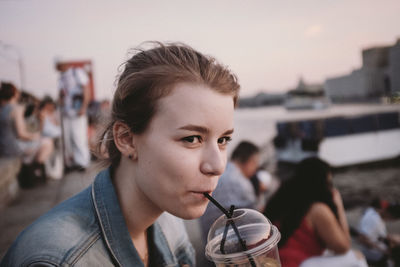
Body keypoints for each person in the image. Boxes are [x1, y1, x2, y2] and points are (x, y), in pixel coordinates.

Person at [1, 42, 240, 266]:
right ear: (126, 139)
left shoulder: (169, 217)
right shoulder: (54, 259)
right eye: (191, 139)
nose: (218, 166)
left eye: (223, 140)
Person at [263, 157, 367, 267]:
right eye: (329, 183)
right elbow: (343, 247)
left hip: (276, 262)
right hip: (298, 264)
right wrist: (339, 205)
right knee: (356, 257)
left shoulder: (282, 200)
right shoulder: (317, 210)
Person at [199, 141, 260, 244]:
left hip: (209, 239)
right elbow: (256, 217)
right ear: (250, 161)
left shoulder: (220, 171)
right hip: (226, 245)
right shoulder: (241, 183)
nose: (256, 169)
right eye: (256, 164)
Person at [0, 82, 53, 181]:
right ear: (14, 94)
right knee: (47, 142)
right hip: (14, 148)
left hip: (3, 149)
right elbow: (21, 134)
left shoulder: (1, 109)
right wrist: (36, 136)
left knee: (38, 143)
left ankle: (33, 169)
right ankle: (36, 171)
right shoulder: (16, 109)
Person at [56, 60, 91, 171]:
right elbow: (62, 94)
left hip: (77, 110)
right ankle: (72, 162)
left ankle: (82, 163)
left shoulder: (76, 72)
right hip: (66, 112)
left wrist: (84, 107)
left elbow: (86, 89)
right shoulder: (61, 77)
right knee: (68, 138)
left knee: (78, 137)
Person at [357, 197, 400, 266]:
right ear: (390, 214)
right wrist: (384, 251)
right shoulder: (374, 221)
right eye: (393, 219)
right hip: (373, 253)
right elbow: (362, 239)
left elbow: (376, 235)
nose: (391, 221)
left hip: (379, 245)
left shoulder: (373, 211)